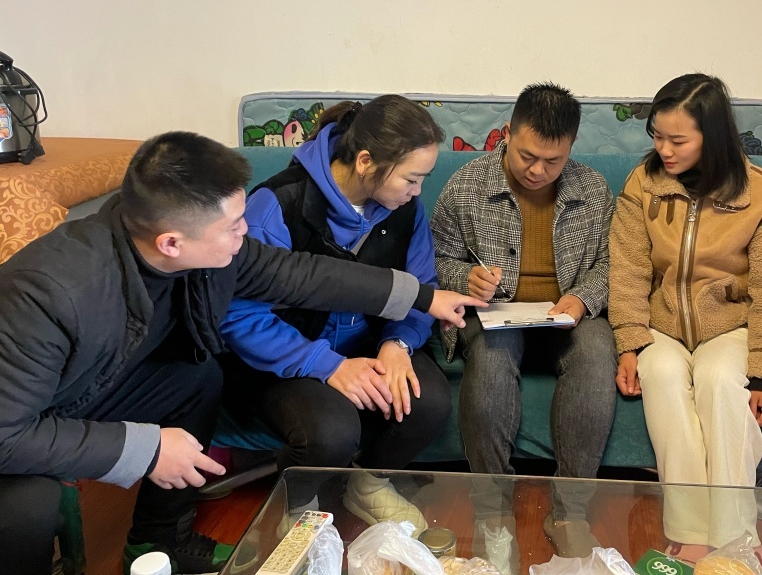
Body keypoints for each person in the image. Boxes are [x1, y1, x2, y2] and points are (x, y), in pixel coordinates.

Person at [0, 131, 483, 575]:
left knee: (196, 379)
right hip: (24, 421)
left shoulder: (202, 251)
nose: (246, 231)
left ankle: (157, 543)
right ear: (172, 243)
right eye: (233, 226)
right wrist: (147, 449)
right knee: (28, 506)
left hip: (94, 386)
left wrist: (422, 297)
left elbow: (303, 275)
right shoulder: (48, 294)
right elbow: (7, 434)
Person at [220, 97, 451, 529]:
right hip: (286, 358)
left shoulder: (405, 209)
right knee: (331, 431)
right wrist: (325, 364)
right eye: (411, 178)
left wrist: (397, 344)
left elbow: (423, 289)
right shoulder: (277, 204)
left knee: (428, 402)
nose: (418, 191)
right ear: (365, 162)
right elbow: (238, 317)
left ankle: (369, 484)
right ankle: (298, 504)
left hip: (368, 345)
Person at [609, 74, 762, 567]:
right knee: (661, 374)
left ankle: (737, 537)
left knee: (718, 381)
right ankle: (690, 532)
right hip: (663, 324)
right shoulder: (642, 183)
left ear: (712, 137)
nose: (664, 150)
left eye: (678, 140)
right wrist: (629, 341)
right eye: (657, 136)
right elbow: (627, 269)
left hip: (731, 326)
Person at [431, 82, 617, 562]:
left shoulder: (593, 190)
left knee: (598, 352)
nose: (537, 170)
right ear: (508, 133)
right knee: (491, 359)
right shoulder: (467, 186)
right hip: (495, 313)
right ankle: (492, 511)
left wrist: (583, 298)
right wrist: (466, 279)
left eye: (553, 161)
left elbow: (613, 262)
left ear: (572, 147)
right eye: (527, 156)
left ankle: (570, 513)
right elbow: (437, 259)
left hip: (568, 314)